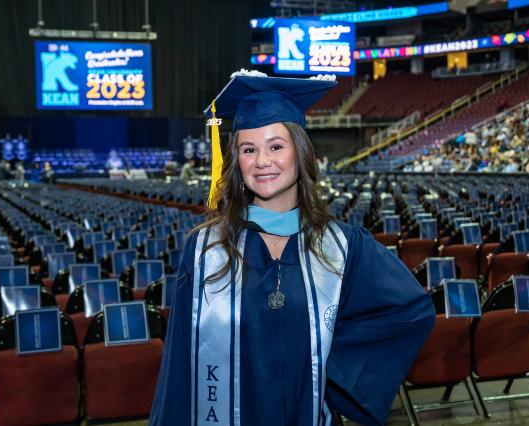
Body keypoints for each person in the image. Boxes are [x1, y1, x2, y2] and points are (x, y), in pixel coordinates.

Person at [150, 72, 435, 426]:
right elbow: (179, 364)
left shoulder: (342, 246)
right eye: (248, 149)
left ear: (300, 153)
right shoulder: (205, 251)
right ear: (236, 161)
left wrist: (335, 376)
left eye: (275, 146)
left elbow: (410, 310)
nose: (262, 161)